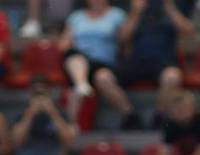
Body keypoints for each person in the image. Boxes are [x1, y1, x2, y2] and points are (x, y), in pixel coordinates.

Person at [59, 0, 142, 129]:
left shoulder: (116, 15)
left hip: (104, 61)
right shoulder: (77, 17)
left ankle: (130, 114)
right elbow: (64, 43)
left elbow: (125, 38)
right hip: (79, 60)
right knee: (76, 61)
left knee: (103, 78)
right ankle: (71, 122)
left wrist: (136, 12)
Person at [117, 0, 196, 128]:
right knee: (105, 78)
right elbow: (122, 37)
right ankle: (130, 115)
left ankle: (159, 116)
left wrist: (170, 8)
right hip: (137, 61)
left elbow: (188, 31)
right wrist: (136, 12)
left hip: (164, 60)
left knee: (172, 76)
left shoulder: (172, 6)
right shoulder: (136, 7)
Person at [2, 76, 76, 155]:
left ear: (50, 93)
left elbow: (69, 139)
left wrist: (52, 113)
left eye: (43, 93)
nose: (40, 97)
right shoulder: (23, 114)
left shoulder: (61, 114)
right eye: (36, 93)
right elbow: (16, 141)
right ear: (30, 93)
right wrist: (30, 114)